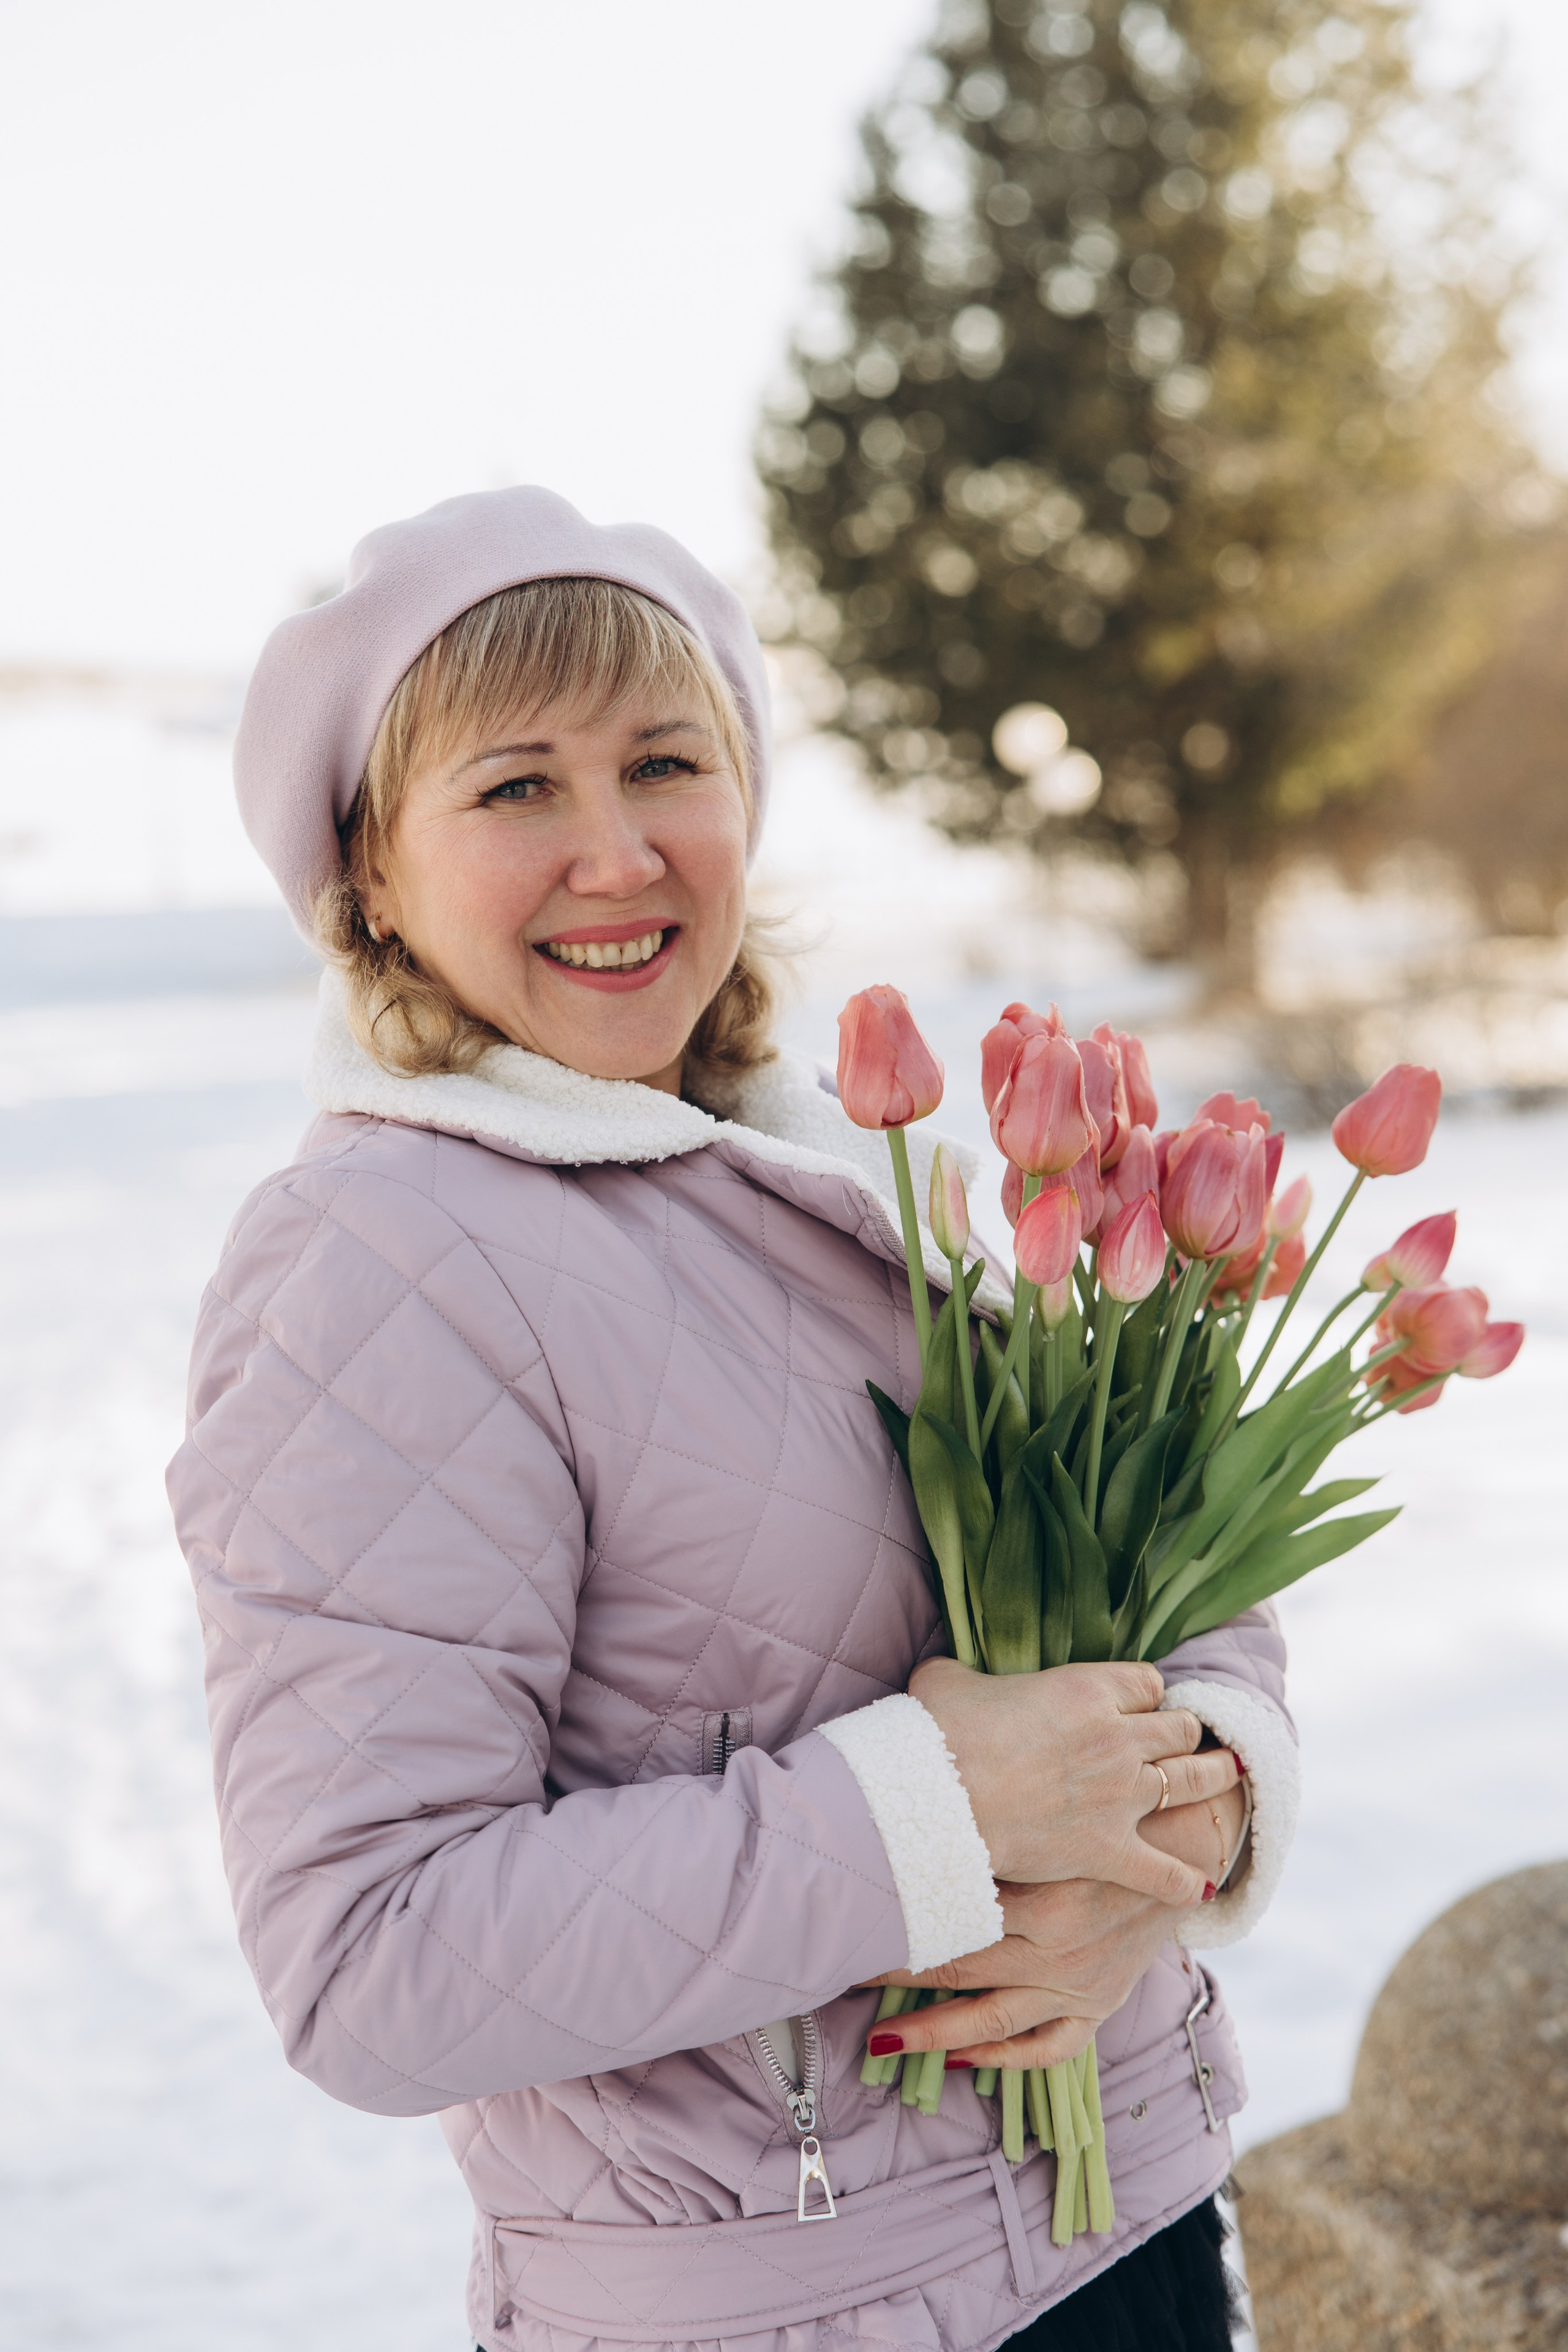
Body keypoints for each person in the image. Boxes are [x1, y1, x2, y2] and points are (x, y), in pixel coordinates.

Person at [168, 488, 1298, 2352]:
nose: (615, 854)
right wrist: (946, 1812)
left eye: (664, 764)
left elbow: (1152, 1554)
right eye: (516, 787)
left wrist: (1178, 1825)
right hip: (791, 2306)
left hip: (1138, 2218)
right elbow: (369, 1961)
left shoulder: (854, 1165)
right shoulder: (376, 1262)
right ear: (368, 873)